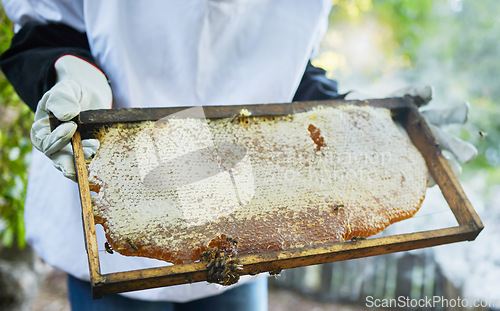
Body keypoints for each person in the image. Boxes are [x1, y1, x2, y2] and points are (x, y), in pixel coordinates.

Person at [0, 1, 477, 310]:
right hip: (123, 194)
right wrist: (69, 71)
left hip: (249, 210)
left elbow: (288, 65)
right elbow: (47, 25)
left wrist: (364, 126)